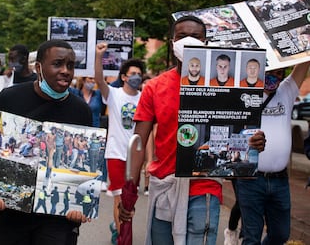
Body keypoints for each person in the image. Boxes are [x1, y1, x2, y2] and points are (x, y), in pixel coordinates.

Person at [117, 15, 265, 245]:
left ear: (206, 42)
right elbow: (138, 142)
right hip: (165, 185)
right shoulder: (154, 88)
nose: (187, 41)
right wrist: (129, 192)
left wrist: (253, 142)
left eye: (195, 37)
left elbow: (241, 131)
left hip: (204, 185)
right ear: (172, 41)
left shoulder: (224, 87)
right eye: (181, 36)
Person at [0, 39, 92, 245]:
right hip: (11, 214)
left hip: (57, 217)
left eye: (70, 65)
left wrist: (80, 204)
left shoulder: (81, 111)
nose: (65, 71)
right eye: (57, 64)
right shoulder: (9, 98)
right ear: (38, 67)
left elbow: (84, 165)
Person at [236, 62, 310, 245]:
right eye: (271, 72)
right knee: (251, 236)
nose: (275, 76)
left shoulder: (287, 90)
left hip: (280, 181)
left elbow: (304, 60)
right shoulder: (243, 94)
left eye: (280, 72)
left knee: (281, 234)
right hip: (250, 179)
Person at [94, 43, 146, 244]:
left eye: (139, 74)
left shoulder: (144, 98)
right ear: (124, 77)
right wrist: (99, 56)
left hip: (135, 157)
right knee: (119, 199)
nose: (136, 77)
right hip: (116, 153)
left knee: (130, 200)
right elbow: (99, 79)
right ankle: (123, 238)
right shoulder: (114, 95)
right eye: (132, 73)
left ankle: (117, 226)